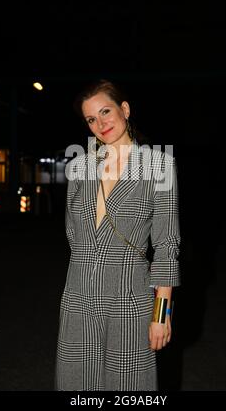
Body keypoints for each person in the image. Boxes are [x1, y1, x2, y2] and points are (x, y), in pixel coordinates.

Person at [55, 79, 181, 391]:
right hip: (78, 299)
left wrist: (161, 314)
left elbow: (166, 245)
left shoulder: (159, 166)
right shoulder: (80, 168)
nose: (101, 123)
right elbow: (74, 234)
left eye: (106, 111)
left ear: (124, 109)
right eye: (91, 119)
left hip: (130, 301)